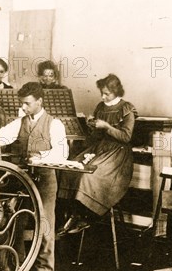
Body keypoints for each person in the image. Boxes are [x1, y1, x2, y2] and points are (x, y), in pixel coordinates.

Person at [0, 82, 68, 271]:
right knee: (17, 220)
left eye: (27, 104)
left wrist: (41, 156)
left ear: (39, 102)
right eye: (22, 103)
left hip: (45, 178)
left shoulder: (54, 124)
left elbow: (61, 152)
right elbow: (0, 135)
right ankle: (19, 265)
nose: (23, 108)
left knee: (45, 222)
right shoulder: (20, 122)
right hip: (24, 179)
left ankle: (44, 269)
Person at [57, 74, 136, 235]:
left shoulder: (126, 108)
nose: (103, 96)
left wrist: (106, 126)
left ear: (116, 91)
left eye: (106, 93)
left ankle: (86, 216)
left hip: (118, 154)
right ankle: (73, 215)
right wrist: (91, 126)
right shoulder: (101, 107)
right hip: (100, 147)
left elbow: (126, 137)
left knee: (89, 175)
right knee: (71, 167)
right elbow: (96, 136)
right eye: (102, 93)